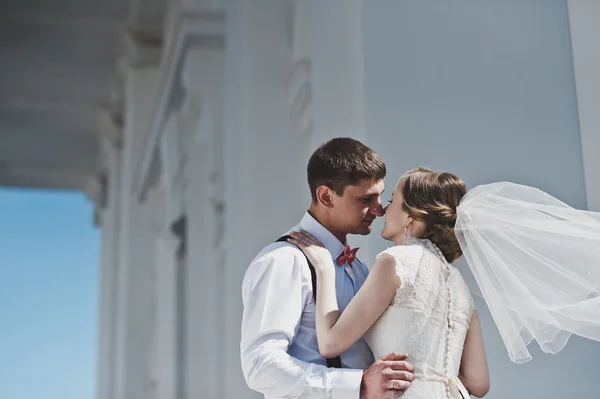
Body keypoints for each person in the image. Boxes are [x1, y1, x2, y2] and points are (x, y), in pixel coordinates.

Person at [289, 168, 490, 398]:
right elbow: (479, 382)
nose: (383, 209)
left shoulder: (394, 262)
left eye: (392, 200)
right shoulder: (460, 286)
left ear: (411, 215)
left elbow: (330, 343)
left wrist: (324, 268)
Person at [240, 138, 415, 399]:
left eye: (381, 195)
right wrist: (359, 385)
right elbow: (261, 365)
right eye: (367, 198)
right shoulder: (284, 261)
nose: (379, 210)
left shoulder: (362, 269)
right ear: (326, 196)